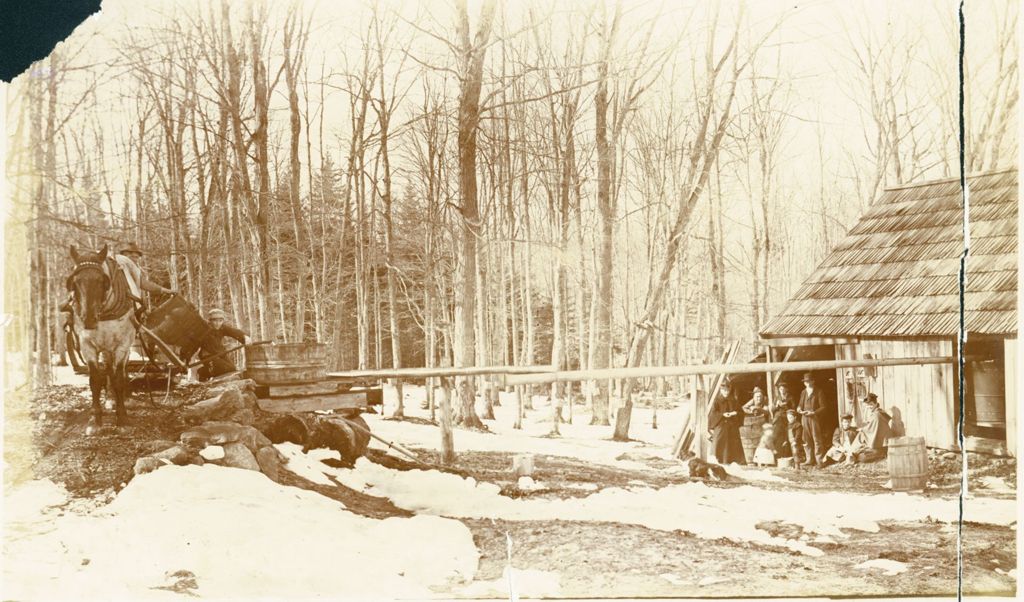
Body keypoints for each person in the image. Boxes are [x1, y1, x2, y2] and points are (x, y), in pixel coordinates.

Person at [181, 308, 251, 382]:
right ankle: (202, 372)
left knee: (233, 369)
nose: (218, 323)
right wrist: (185, 360)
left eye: (220, 321)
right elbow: (193, 346)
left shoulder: (222, 328)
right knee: (225, 369)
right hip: (208, 356)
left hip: (220, 354)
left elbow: (234, 332)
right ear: (210, 321)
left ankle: (208, 372)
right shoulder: (203, 330)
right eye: (215, 321)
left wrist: (244, 337)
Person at [707, 378, 746, 465]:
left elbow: (741, 412)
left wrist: (735, 413)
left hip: (732, 426)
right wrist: (722, 415)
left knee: (733, 444)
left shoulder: (733, 400)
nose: (726, 392)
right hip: (721, 425)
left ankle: (734, 463)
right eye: (724, 390)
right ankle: (718, 462)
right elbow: (713, 414)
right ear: (721, 390)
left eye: (728, 390)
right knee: (719, 442)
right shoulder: (716, 401)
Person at [797, 373, 827, 467]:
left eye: (809, 381)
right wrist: (799, 409)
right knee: (805, 439)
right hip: (804, 418)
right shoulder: (803, 392)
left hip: (814, 418)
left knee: (816, 439)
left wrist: (813, 412)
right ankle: (809, 459)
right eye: (806, 381)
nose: (807, 383)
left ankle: (819, 461)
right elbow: (800, 405)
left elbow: (823, 407)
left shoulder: (818, 392)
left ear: (813, 381)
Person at [855, 393, 892, 463]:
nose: (869, 407)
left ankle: (882, 454)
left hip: (882, 443)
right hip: (879, 442)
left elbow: (872, 428)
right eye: (868, 406)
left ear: (876, 404)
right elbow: (872, 426)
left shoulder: (878, 414)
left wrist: (862, 429)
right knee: (860, 453)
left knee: (862, 457)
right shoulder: (876, 412)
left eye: (871, 405)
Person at [771, 382, 795, 458]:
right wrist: (777, 405)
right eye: (780, 389)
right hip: (778, 419)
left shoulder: (790, 397)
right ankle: (775, 456)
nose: (782, 390)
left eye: (783, 389)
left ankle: (787, 455)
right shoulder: (777, 397)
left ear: (786, 389)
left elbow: (794, 408)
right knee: (776, 436)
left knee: (787, 437)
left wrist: (787, 406)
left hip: (787, 419)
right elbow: (772, 409)